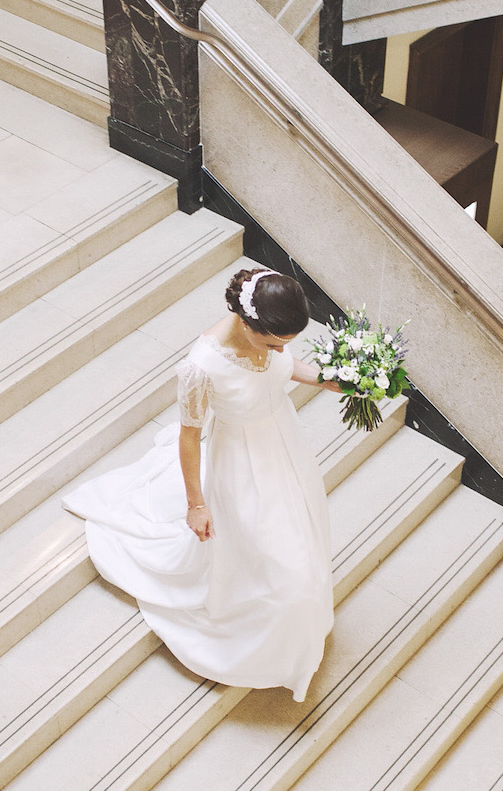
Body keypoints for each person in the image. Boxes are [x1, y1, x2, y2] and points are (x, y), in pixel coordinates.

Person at [62, 267, 341, 703]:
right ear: (247, 323)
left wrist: (329, 379)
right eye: (272, 342)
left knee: (299, 531)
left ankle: (293, 622)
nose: (280, 349)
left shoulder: (269, 325)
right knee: (273, 551)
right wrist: (196, 504)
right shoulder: (201, 367)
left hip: (284, 445)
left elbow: (285, 365)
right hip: (241, 464)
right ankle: (263, 637)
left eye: (285, 342)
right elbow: (189, 435)